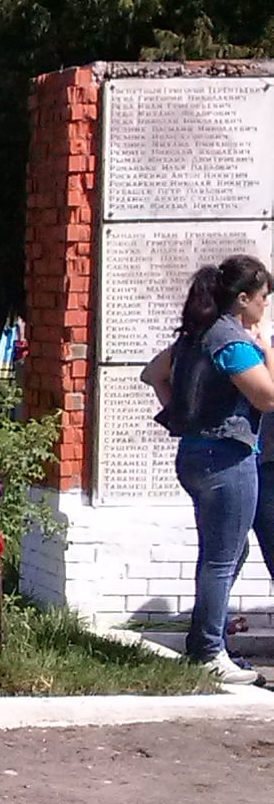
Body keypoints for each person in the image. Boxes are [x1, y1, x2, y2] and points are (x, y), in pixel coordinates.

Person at [142, 255, 274, 680]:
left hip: (195, 455)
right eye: (263, 297)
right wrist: (267, 351)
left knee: (228, 552)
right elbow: (267, 398)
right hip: (228, 458)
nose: (265, 305)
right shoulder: (231, 340)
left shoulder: (197, 335)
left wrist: (184, 416)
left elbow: (152, 374)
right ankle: (209, 653)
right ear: (243, 298)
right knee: (221, 558)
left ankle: (204, 642)